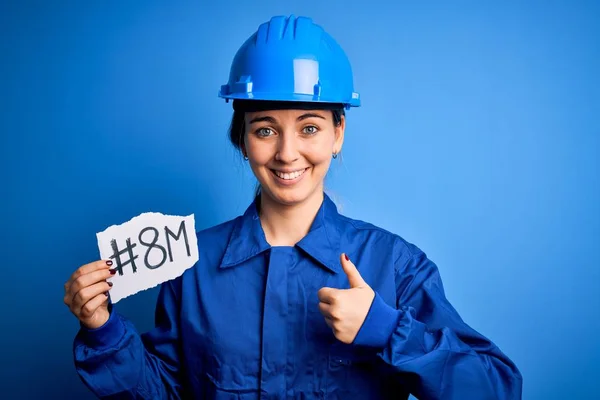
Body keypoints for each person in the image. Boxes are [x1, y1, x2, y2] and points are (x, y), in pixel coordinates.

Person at [64, 15, 522, 399]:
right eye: (265, 129)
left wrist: (388, 329)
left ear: (338, 134)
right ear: (241, 139)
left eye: (309, 128)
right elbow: (166, 391)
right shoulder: (191, 268)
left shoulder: (395, 267)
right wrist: (104, 331)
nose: (286, 153)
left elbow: (497, 388)